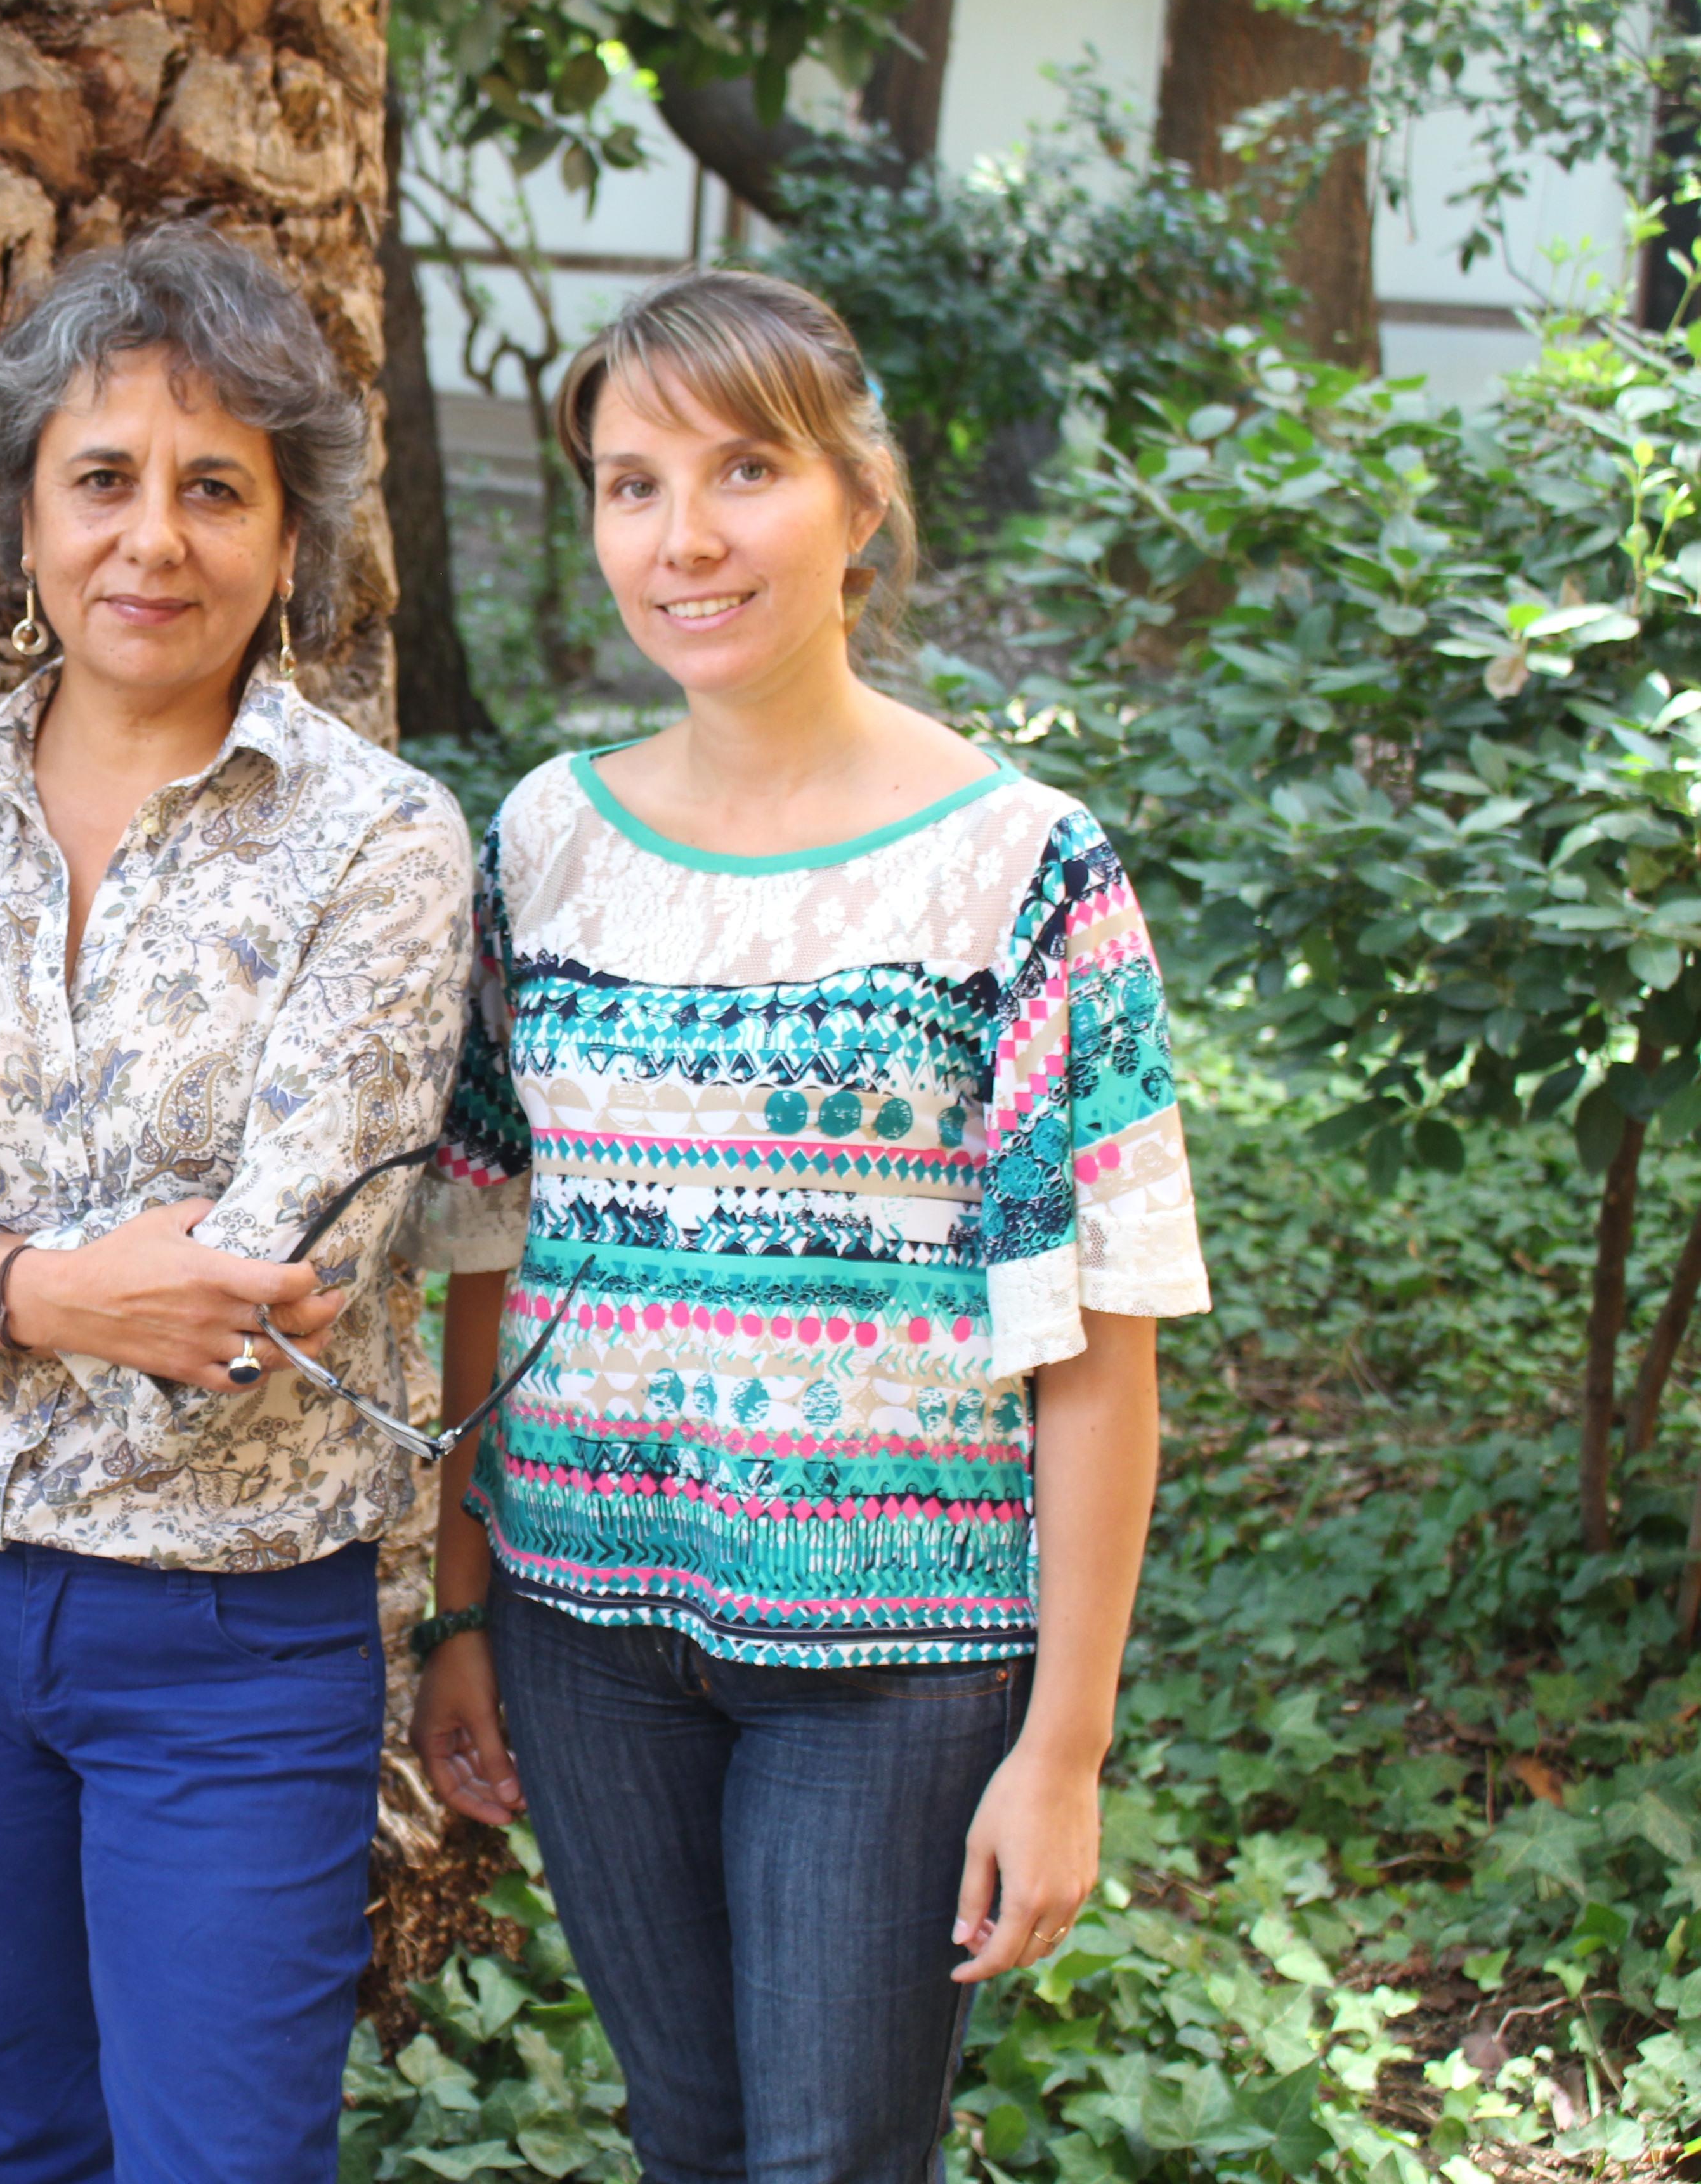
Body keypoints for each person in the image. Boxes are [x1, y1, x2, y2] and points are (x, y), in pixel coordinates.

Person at [405, 268, 1212, 2183]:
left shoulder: (1020, 869)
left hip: (897, 1659)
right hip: (585, 1631)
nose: (681, 537)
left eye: (743, 469)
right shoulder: (543, 839)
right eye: (628, 482)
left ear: (858, 499)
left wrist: (1065, 1749)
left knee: (837, 2156)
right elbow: (480, 1245)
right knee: (687, 2138)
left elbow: (1098, 1340)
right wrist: (460, 1605)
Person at [0, 226, 475, 2184]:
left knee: (218, 2161)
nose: (156, 537)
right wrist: (42, 1287)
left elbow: (270, 1285)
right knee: (36, 2140)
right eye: (103, 479)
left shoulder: (378, 844)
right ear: (27, 519)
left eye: (217, 487)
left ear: (290, 535)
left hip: (223, 1634)